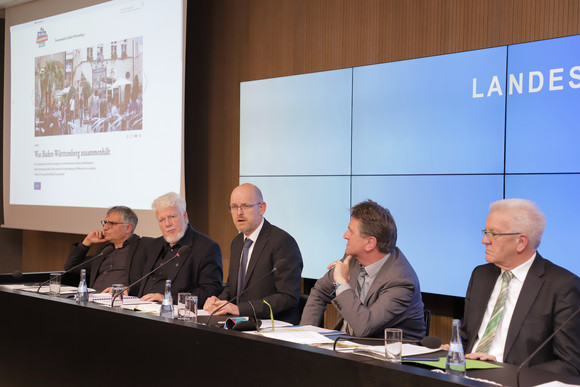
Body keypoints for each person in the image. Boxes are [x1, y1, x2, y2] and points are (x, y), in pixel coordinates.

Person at [460, 198, 580, 375]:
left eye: (493, 234)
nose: (484, 240)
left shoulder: (561, 285)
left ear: (521, 242)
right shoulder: (480, 275)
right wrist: (453, 351)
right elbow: (465, 339)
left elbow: (570, 364)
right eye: (485, 232)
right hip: (466, 375)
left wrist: (506, 371)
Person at [300, 200, 425, 339]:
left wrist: (341, 284)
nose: (345, 235)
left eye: (351, 232)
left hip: (384, 356)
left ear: (370, 243)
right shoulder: (352, 259)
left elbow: (364, 327)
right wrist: (306, 336)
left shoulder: (401, 281)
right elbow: (320, 291)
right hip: (343, 349)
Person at [203, 183, 303, 324]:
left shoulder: (282, 242)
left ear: (261, 208)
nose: (239, 213)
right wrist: (218, 301)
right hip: (240, 324)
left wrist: (240, 309)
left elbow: (287, 297)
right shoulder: (237, 242)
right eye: (234, 207)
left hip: (272, 328)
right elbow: (233, 288)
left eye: (245, 206)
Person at [139, 192, 223, 306]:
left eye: (172, 217)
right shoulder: (155, 244)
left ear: (185, 216)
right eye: (162, 220)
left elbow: (211, 290)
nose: (167, 224)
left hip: (175, 315)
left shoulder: (207, 247)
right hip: (142, 308)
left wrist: (169, 299)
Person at [64, 206, 144, 295]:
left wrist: (128, 289)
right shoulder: (106, 250)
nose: (105, 227)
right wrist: (87, 241)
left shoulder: (141, 248)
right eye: (105, 223)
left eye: (111, 223)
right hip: (93, 301)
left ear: (128, 228)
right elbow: (71, 267)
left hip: (118, 303)